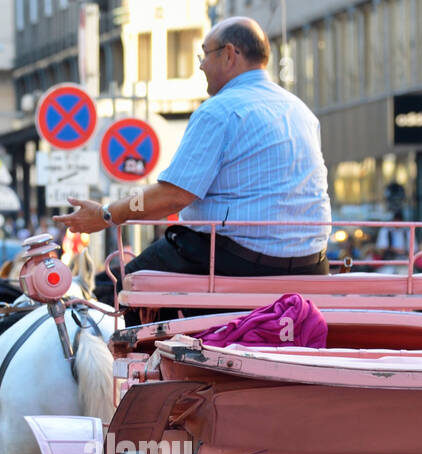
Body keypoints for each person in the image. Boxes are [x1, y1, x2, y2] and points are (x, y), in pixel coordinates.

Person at [57, 15, 330, 318]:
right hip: (312, 264)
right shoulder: (301, 111)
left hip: (234, 262)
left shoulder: (221, 110)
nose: (201, 65)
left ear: (229, 55)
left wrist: (108, 214)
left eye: (205, 54)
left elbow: (173, 196)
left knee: (112, 292)